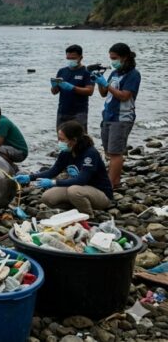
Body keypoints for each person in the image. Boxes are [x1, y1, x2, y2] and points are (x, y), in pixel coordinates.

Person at [14, 121, 112, 215]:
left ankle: (87, 215)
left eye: (62, 139)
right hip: (80, 190)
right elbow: (53, 171)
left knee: (74, 191)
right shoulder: (66, 152)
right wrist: (29, 177)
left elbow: (82, 180)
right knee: (47, 197)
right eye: (59, 138)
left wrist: (54, 182)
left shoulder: (90, 154)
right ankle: (74, 211)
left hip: (100, 194)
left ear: (73, 140)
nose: (59, 142)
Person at [93, 42, 141, 189]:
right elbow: (103, 94)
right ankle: (116, 180)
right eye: (111, 58)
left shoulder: (133, 74)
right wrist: (99, 81)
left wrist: (107, 86)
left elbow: (124, 96)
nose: (112, 61)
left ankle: (111, 183)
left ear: (124, 57)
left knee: (115, 152)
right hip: (108, 115)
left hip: (122, 118)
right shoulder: (114, 73)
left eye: (114, 58)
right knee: (109, 151)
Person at [51, 44, 94, 130]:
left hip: (79, 113)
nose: (70, 60)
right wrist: (54, 86)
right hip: (62, 111)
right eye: (68, 58)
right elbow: (54, 92)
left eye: (73, 58)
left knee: (80, 140)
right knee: (62, 139)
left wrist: (72, 88)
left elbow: (90, 91)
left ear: (80, 57)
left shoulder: (86, 72)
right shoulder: (62, 71)